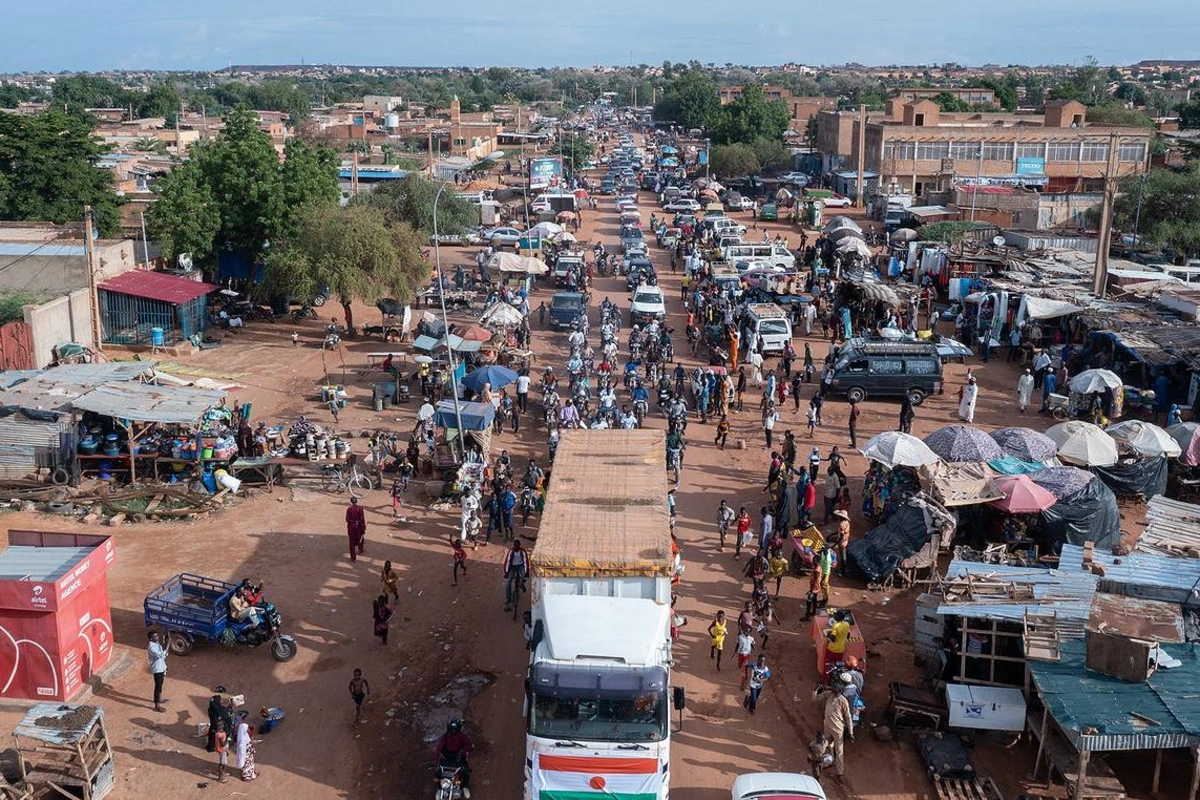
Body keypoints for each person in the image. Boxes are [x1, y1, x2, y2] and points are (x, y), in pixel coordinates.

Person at [813, 682, 855, 780]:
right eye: (833, 688)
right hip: (827, 726)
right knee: (828, 746)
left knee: (839, 750)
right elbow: (815, 699)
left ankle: (840, 772)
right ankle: (828, 761)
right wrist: (815, 690)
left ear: (840, 691)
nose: (834, 690)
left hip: (838, 729)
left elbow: (848, 717)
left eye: (836, 689)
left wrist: (850, 732)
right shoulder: (828, 694)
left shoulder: (843, 701)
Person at [434, 718, 474, 798]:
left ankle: (464, 787)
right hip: (447, 757)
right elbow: (438, 748)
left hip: (458, 758)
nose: (453, 731)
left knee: (466, 772)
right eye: (451, 729)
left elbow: (469, 746)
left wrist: (463, 751)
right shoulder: (445, 737)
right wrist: (435, 760)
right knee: (437, 773)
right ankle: (439, 789)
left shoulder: (463, 736)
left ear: (458, 729)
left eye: (454, 729)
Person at [502, 539, 528, 610]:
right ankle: (508, 598)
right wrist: (506, 572)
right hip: (512, 567)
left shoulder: (523, 551)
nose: (516, 547)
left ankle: (522, 584)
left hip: (520, 566)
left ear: (519, 546)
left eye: (517, 546)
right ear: (514, 546)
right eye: (515, 546)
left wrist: (526, 572)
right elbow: (507, 562)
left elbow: (525, 562)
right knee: (508, 582)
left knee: (525, 577)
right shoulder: (511, 551)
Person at [824, 609, 852, 675]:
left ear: (838, 617)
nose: (834, 616)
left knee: (828, 665)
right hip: (841, 649)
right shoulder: (847, 624)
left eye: (836, 615)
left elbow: (833, 639)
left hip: (832, 649)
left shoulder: (836, 626)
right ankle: (835, 678)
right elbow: (848, 636)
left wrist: (829, 634)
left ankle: (825, 679)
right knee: (837, 665)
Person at [147, 631, 167, 712]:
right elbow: (161, 655)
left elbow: (162, 655)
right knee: (158, 686)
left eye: (157, 636)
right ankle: (157, 705)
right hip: (157, 669)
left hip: (161, 667)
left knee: (160, 684)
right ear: (151, 638)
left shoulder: (156, 644)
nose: (157, 637)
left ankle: (160, 699)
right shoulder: (152, 647)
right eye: (155, 637)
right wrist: (165, 652)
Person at [235, 711, 257, 781]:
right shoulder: (243, 729)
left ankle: (247, 776)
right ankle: (250, 774)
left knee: (246, 761)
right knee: (249, 761)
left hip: (245, 748)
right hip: (247, 747)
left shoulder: (241, 730)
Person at [345, 496, 366, 561]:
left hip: (351, 527)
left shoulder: (349, 509)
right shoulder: (360, 508)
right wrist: (363, 527)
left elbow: (347, 519)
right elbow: (362, 519)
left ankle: (353, 558)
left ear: (351, 502)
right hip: (359, 526)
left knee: (351, 542)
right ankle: (360, 549)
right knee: (360, 538)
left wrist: (353, 521)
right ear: (357, 501)